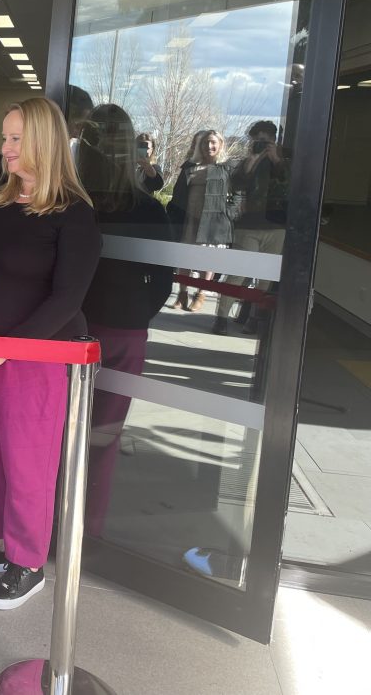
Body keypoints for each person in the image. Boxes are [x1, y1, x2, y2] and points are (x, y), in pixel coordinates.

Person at [0, 97, 101, 610]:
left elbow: (67, 299)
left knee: (27, 461)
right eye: (6, 138)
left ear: (44, 144)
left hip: (33, 359)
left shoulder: (73, 215)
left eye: (15, 140)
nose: (5, 149)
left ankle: (28, 560)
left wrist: (5, 351)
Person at [77, 104, 173, 536]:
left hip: (74, 329)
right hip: (125, 332)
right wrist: (136, 315)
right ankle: (89, 529)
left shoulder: (74, 203)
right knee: (105, 436)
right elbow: (163, 282)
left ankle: (52, 521)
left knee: (62, 431)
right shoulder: (149, 209)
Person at [213, 120, 289, 335]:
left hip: (276, 225)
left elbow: (289, 185)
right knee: (238, 272)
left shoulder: (285, 160)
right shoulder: (247, 161)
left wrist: (276, 160)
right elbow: (235, 185)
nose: (260, 145)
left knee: (266, 275)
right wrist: (250, 162)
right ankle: (221, 318)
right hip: (249, 225)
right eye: (256, 141)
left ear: (274, 141)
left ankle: (255, 317)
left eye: (265, 141)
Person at [168, 130, 232, 312]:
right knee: (185, 258)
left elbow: (236, 195)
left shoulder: (225, 168)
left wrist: (229, 214)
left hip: (212, 221)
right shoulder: (190, 166)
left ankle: (201, 294)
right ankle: (182, 294)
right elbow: (178, 194)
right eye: (205, 143)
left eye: (213, 143)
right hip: (189, 218)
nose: (209, 146)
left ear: (220, 145)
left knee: (207, 259)